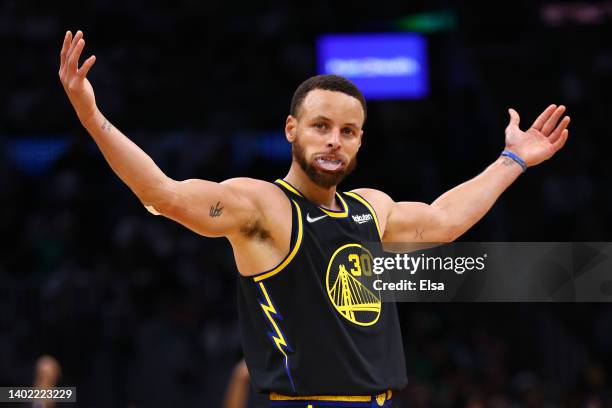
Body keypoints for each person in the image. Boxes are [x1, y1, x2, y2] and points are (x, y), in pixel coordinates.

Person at [58, 30, 570, 407]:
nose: (334, 140)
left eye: (348, 131)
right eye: (320, 126)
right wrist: (91, 117)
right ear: (290, 130)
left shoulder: (372, 207)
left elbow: (445, 219)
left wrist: (513, 161)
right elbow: (162, 194)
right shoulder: (261, 207)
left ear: (360, 141)